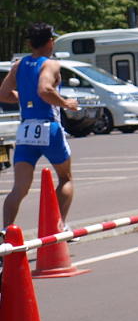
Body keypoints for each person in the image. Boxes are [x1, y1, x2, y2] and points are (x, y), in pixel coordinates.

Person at [0, 23, 79, 231]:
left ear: (30, 43)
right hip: (48, 127)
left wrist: (24, 97)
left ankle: (6, 232)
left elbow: (3, 94)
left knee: (19, 188)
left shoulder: (19, 65)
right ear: (50, 42)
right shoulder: (50, 65)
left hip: (26, 129)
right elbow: (44, 90)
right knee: (65, 178)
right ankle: (58, 227)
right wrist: (66, 103)